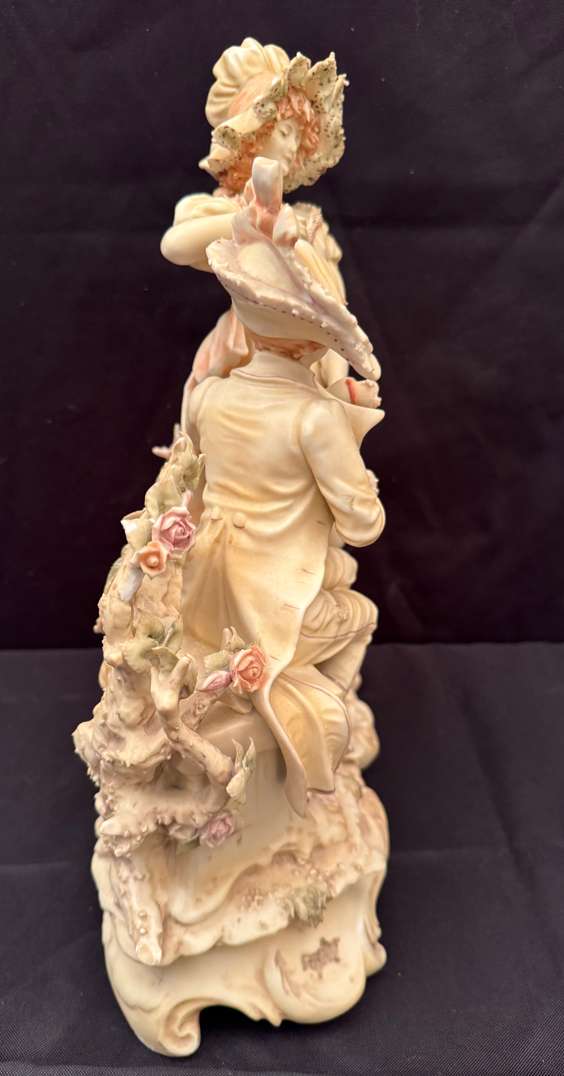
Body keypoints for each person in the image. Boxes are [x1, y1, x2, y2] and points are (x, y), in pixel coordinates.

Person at [181, 158, 385, 816]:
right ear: (314, 347)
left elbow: (202, 477)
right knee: (361, 615)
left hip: (208, 590)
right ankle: (324, 715)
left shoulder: (209, 397)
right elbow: (363, 525)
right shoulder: (314, 417)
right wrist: (353, 460)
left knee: (330, 582)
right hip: (273, 603)